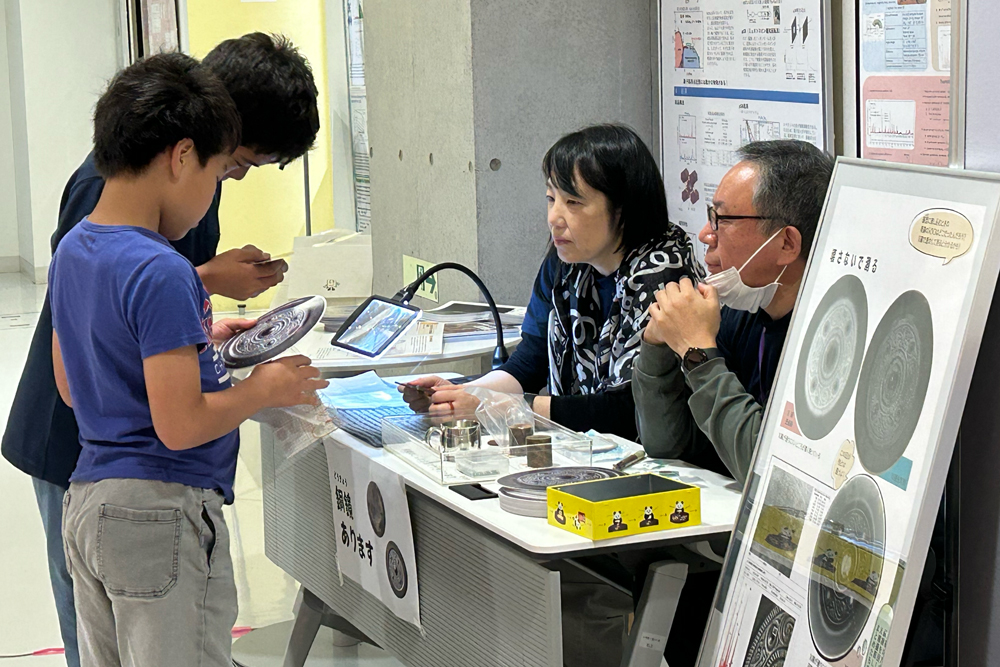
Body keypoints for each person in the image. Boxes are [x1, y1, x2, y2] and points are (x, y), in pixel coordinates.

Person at [0, 33, 319, 667]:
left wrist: (193, 334)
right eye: (229, 165)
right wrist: (263, 388)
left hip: (93, 485)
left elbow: (81, 359)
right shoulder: (155, 254)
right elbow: (177, 421)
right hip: (148, 495)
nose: (226, 179)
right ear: (186, 152)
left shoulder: (74, 248)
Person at [401, 124, 702, 441]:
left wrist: (505, 408)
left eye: (573, 202)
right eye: (550, 198)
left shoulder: (665, 277)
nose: (554, 217)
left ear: (624, 207)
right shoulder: (567, 263)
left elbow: (631, 411)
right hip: (585, 449)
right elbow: (531, 361)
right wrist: (460, 394)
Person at [632, 139, 835, 479]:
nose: (705, 234)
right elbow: (668, 446)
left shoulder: (830, 337)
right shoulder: (740, 314)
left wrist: (699, 355)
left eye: (722, 220)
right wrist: (657, 348)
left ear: (786, 243)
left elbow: (771, 471)